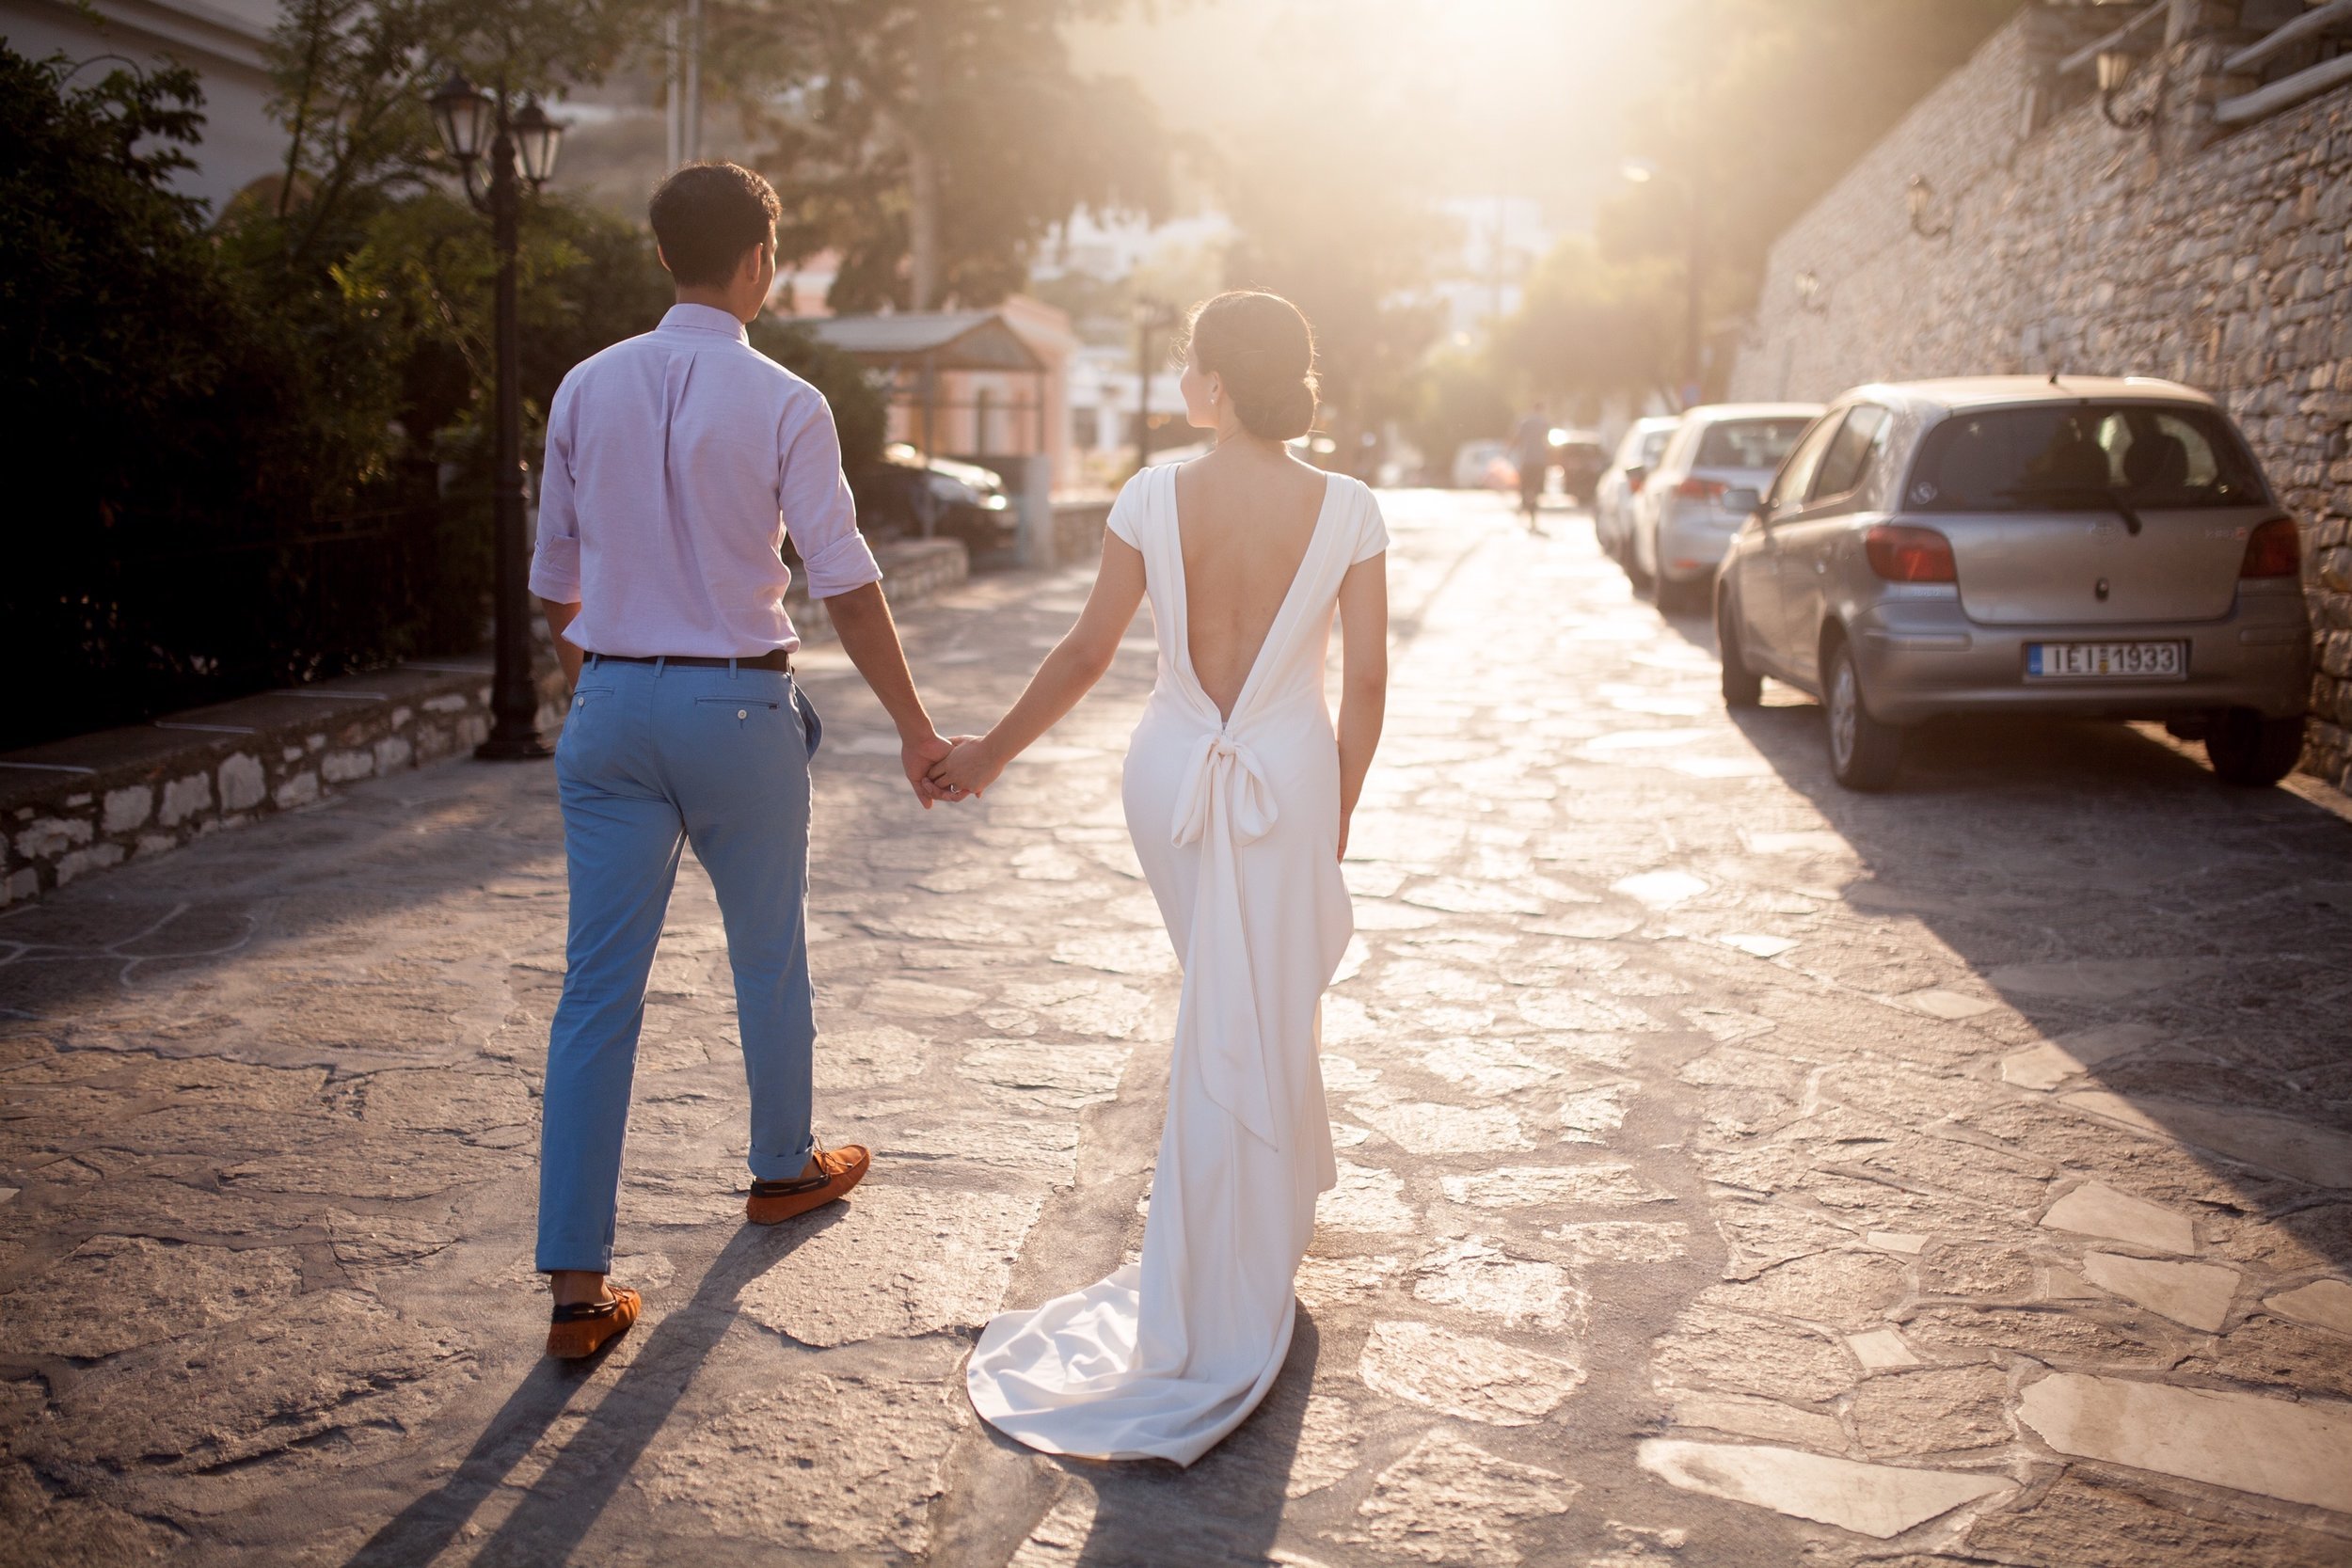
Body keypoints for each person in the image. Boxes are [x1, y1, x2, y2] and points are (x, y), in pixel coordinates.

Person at [932, 291, 1390, 1465]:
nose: (1183, 373)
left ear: (1219, 384)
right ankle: (1228, 1284)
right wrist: (1333, 807)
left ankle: (1224, 1270)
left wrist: (987, 751)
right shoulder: (1350, 510)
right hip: (1283, 775)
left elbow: (1090, 650)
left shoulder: (1148, 495)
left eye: (1192, 360)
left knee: (1216, 1007)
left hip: (1174, 772)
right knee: (1255, 1008)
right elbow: (1370, 685)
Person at [526, 162, 968, 1360]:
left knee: (593, 994)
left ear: (663, 252)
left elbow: (552, 583)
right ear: (758, 260)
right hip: (737, 713)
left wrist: (613, 685)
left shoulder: (583, 385)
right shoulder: (786, 400)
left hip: (611, 704)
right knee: (767, 955)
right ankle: (782, 1165)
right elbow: (847, 583)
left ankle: (577, 1290)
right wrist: (919, 731)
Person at [1512, 401, 1554, 531]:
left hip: (1527, 459)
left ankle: (1525, 506)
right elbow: (1548, 442)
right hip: (1540, 461)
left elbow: (1517, 438)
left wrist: (1508, 452)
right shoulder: (1544, 423)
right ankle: (1532, 515)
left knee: (1525, 487)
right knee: (1536, 490)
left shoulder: (1526, 422)